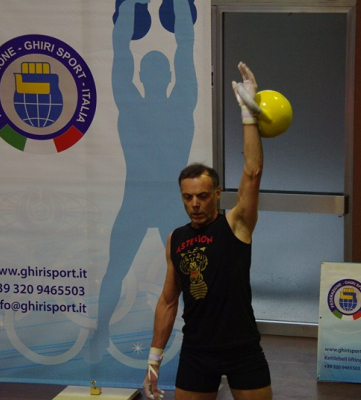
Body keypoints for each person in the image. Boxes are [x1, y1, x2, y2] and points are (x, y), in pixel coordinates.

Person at [142, 62, 272, 400]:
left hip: (242, 347)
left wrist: (248, 114)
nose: (195, 204)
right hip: (198, 350)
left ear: (216, 194)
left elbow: (253, 171)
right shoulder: (176, 239)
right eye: (188, 198)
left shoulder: (236, 225)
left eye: (202, 196)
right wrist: (153, 360)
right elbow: (168, 301)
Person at [88, 0, 197, 362]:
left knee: (189, 275)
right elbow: (182, 45)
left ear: (152, 76)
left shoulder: (136, 104)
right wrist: (176, 6)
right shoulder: (178, 104)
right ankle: (99, 336)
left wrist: (132, 8)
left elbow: (126, 49)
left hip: (160, 202)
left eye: (153, 68)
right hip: (146, 201)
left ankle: (197, 333)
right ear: (166, 76)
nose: (151, 73)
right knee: (117, 271)